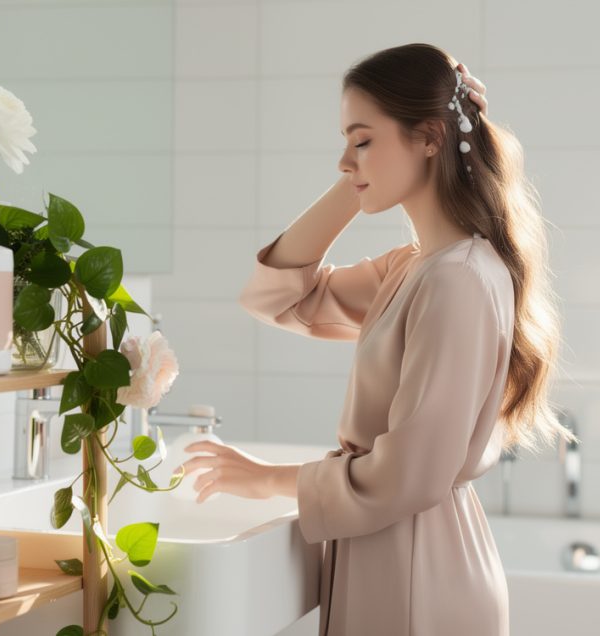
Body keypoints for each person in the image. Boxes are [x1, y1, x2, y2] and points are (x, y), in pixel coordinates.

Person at [178, 43, 577, 635]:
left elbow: (408, 474)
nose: (344, 159)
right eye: (346, 142)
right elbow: (274, 295)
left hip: (418, 576)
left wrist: (265, 479)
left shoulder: (457, 279)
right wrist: (360, 175)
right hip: (399, 557)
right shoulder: (417, 268)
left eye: (361, 140)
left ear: (429, 139)